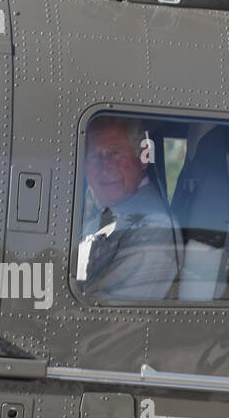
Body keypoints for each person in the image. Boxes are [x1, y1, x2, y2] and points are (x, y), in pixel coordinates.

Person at [75, 116, 179, 300]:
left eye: (114, 153)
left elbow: (114, 316)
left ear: (143, 157)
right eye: (93, 156)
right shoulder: (106, 211)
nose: (104, 167)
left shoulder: (153, 226)